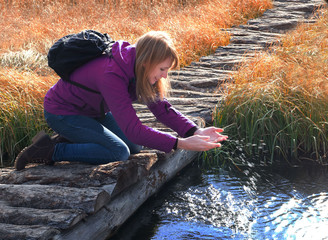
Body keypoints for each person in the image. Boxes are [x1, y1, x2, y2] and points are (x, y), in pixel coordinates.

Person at [14, 31, 228, 171]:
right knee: (119, 152)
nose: (164, 76)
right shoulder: (112, 74)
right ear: (147, 61)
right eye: (162, 69)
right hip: (62, 112)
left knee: (135, 146)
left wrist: (193, 132)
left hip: (92, 112)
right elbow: (134, 128)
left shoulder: (140, 67)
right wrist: (180, 143)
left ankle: (74, 138)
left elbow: (161, 109)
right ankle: (48, 151)